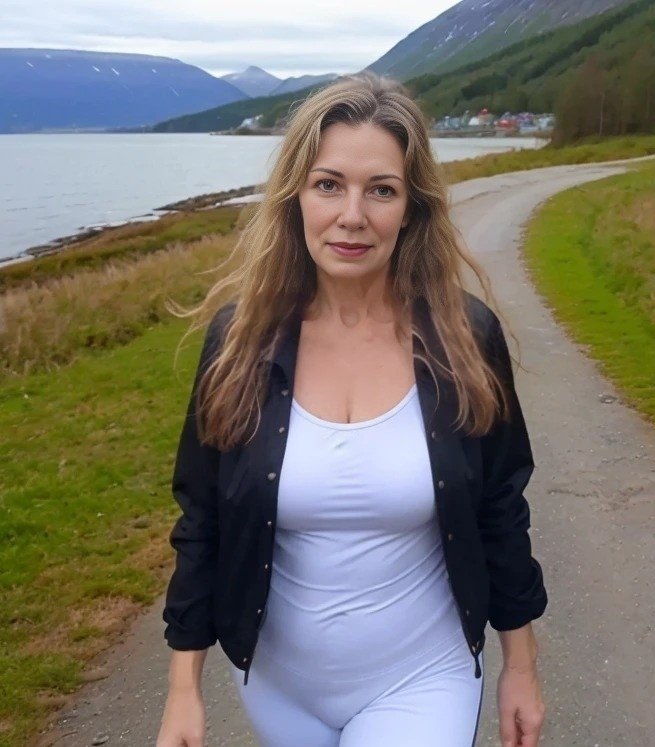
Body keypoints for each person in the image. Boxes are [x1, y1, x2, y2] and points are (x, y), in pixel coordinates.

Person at [156, 72, 547, 747]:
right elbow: (203, 518)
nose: (353, 215)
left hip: (423, 677)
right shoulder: (239, 343)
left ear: (412, 207)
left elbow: (500, 510)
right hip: (278, 687)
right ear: (295, 197)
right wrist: (182, 688)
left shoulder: (463, 339)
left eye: (382, 190)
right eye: (329, 184)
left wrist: (521, 665)